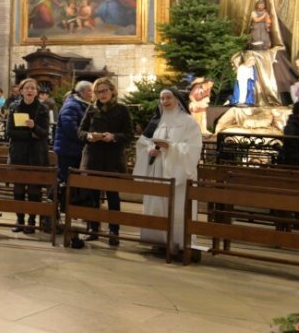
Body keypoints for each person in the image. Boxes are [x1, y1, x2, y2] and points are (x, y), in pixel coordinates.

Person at [134, 89, 203, 254]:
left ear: (178, 100)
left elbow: (193, 148)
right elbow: (144, 143)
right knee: (157, 204)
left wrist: (170, 148)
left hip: (177, 171)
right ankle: (157, 241)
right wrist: (151, 149)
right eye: (162, 98)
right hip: (157, 170)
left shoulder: (188, 122)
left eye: (168, 97)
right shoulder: (156, 121)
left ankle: (178, 243)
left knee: (177, 207)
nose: (165, 101)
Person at [77, 76, 132, 245]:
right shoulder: (92, 109)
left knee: (112, 197)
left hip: (112, 159)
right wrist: (89, 136)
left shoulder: (122, 110)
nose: (102, 94)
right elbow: (80, 131)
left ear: (112, 91)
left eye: (104, 91)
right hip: (93, 157)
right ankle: (93, 229)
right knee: (93, 197)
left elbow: (129, 135)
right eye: (98, 92)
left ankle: (114, 231)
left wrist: (114, 136)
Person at [6, 78, 51, 233]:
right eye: (27, 88)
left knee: (34, 189)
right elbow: (9, 132)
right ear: (22, 90)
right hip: (18, 153)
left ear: (36, 92)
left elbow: (45, 133)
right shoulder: (14, 107)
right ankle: (19, 221)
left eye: (33, 88)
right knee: (18, 188)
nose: (30, 90)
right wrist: (30, 135)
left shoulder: (43, 108)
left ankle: (31, 221)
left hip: (36, 155)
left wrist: (34, 127)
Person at [54, 81, 93, 209]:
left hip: (74, 149)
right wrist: (87, 137)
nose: (92, 94)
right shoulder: (71, 106)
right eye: (90, 91)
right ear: (82, 92)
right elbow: (70, 129)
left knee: (73, 181)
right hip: (68, 150)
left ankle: (68, 207)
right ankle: (60, 207)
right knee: (66, 180)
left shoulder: (81, 105)